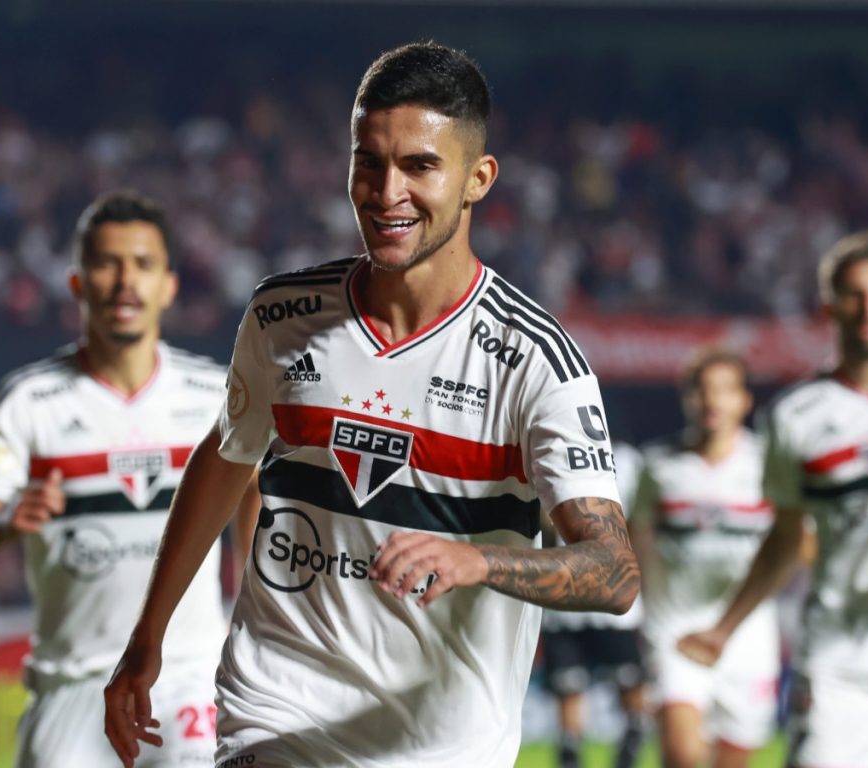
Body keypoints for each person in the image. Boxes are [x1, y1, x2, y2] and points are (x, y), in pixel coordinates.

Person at [104, 41, 640, 768]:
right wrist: (148, 637)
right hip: (277, 712)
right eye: (368, 161)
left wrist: (477, 562)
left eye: (419, 165)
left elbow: (614, 572)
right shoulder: (281, 315)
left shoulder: (536, 363)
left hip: (442, 745)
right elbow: (227, 457)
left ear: (478, 178)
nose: (386, 191)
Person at [0, 190, 256, 767]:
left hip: (187, 678)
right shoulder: (25, 404)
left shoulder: (213, 395)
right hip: (70, 692)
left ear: (168, 285)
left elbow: (258, 483)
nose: (125, 281)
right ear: (76, 283)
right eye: (107, 263)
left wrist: (249, 597)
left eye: (142, 265)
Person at [678, 230, 868, 767]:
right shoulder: (795, 417)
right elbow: (785, 537)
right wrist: (725, 627)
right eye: (853, 294)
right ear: (830, 308)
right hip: (837, 661)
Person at [630, 349, 780, 768]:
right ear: (687, 399)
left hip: (746, 636)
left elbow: (795, 545)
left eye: (724, 391)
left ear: (744, 400)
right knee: (681, 756)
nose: (712, 401)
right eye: (701, 390)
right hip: (674, 631)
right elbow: (633, 541)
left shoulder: (768, 464)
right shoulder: (657, 465)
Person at [540, 441, 647, 768]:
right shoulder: (547, 452)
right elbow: (542, 520)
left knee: (628, 676)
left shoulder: (628, 460)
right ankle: (570, 748)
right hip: (564, 596)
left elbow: (638, 524)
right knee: (569, 683)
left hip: (609, 593)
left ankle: (633, 735)